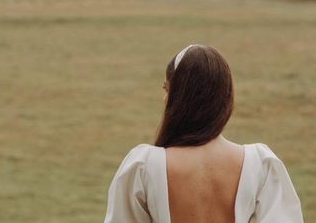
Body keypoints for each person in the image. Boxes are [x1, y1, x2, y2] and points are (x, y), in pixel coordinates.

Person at [104, 44, 304, 223]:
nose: (164, 99)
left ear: (178, 96)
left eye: (168, 89)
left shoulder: (144, 166)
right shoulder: (260, 164)